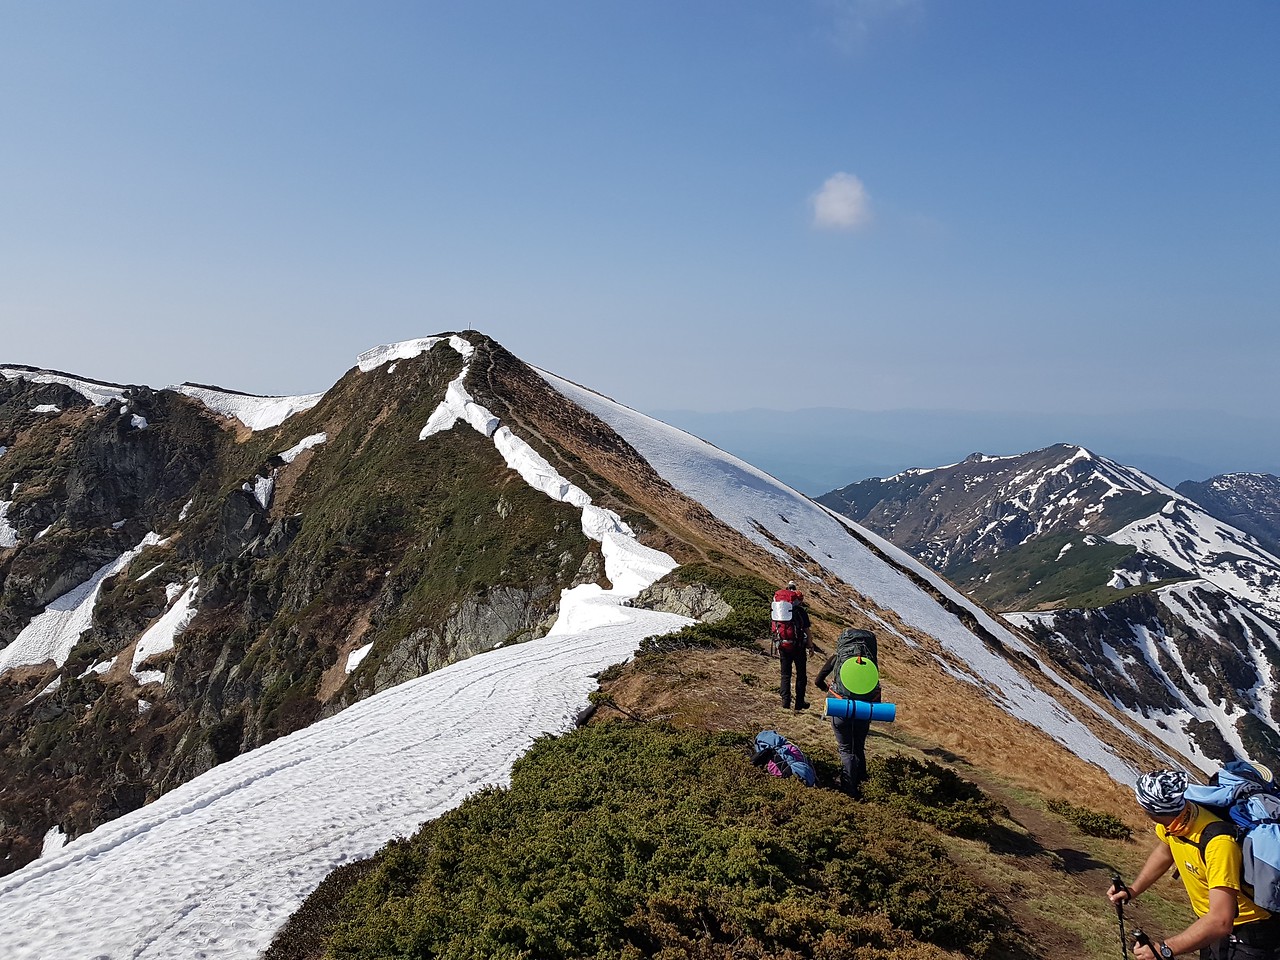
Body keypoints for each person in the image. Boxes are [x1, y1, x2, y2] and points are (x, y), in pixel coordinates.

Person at [1107, 770, 1279, 959]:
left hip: (1248, 939)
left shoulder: (1218, 843)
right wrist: (1133, 890)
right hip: (1212, 931)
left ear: (1151, 810)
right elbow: (1166, 850)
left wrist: (1164, 949)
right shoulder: (1175, 820)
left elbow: (1221, 920)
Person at [814, 628, 880, 799]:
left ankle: (849, 789)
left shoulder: (838, 659)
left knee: (846, 749)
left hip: (840, 707)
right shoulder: (870, 663)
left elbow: (818, 680)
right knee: (858, 747)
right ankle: (864, 783)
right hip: (864, 711)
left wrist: (826, 688)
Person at [772, 581, 812, 710]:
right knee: (801, 675)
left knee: (785, 674)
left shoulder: (778, 612)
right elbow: (807, 631)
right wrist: (810, 646)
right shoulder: (800, 612)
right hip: (798, 646)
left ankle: (785, 701)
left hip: (782, 645)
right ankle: (799, 703)